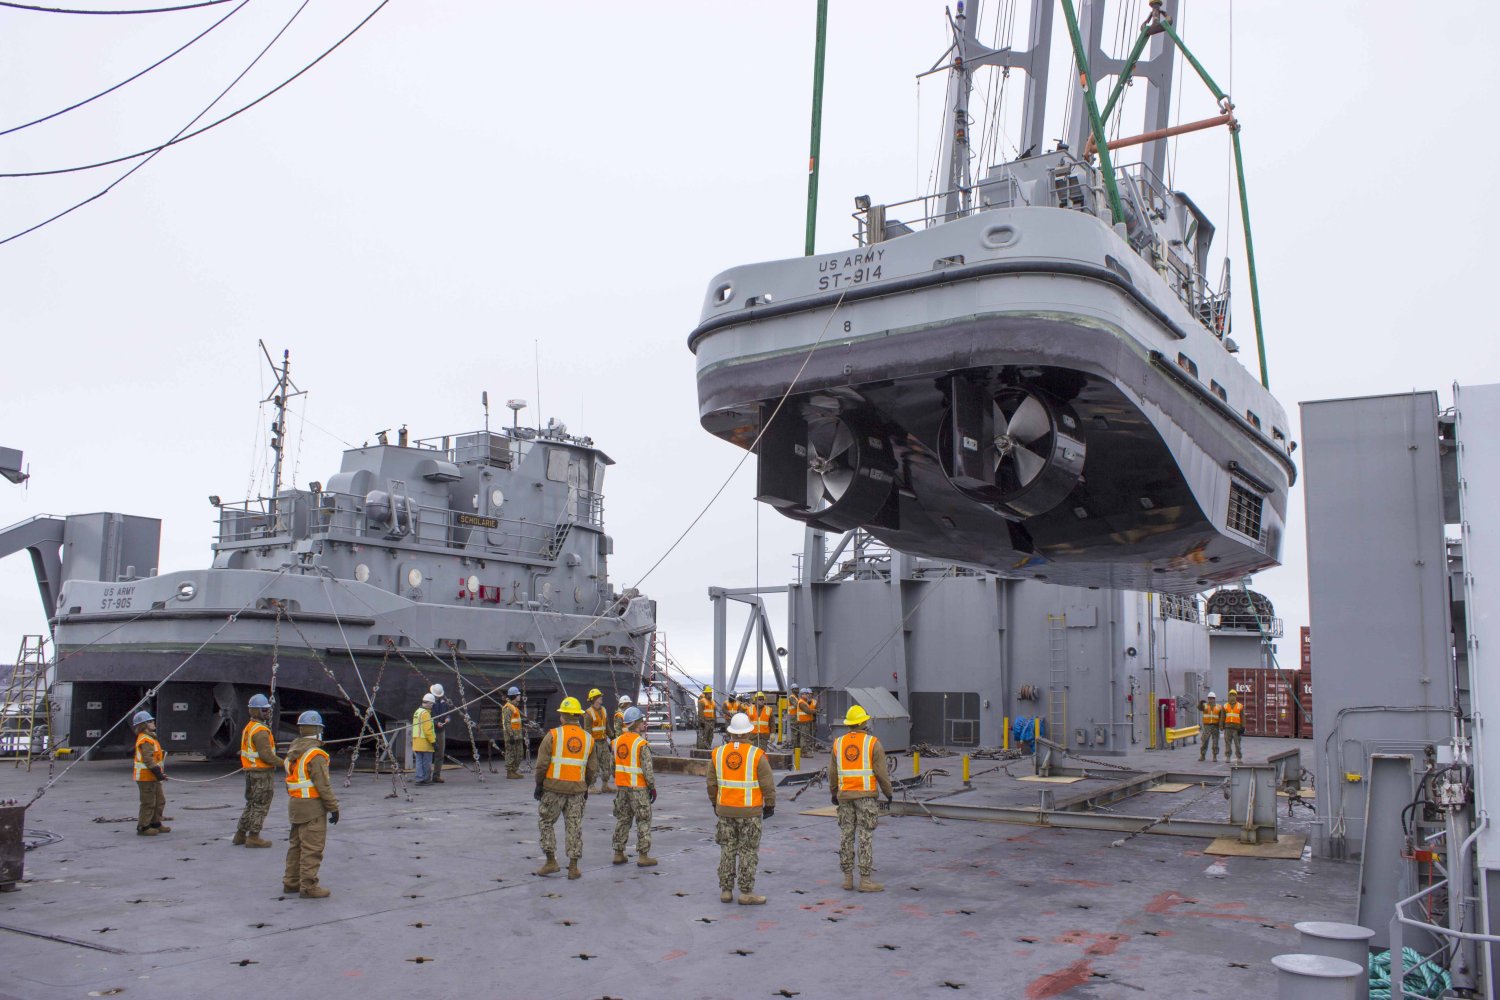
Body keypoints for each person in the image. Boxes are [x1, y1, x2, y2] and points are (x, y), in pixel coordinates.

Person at [707, 712, 775, 905]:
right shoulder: (757, 755)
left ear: (730, 732)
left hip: (725, 811)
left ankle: (726, 891)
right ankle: (746, 892)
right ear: (748, 732)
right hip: (750, 813)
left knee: (727, 850)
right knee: (748, 851)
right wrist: (770, 804)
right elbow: (767, 784)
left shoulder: (718, 754)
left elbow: (711, 783)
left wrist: (715, 803)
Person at [829, 705, 894, 892]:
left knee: (846, 835)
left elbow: (832, 773)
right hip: (866, 797)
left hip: (845, 796)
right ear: (864, 722)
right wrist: (888, 793)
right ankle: (865, 880)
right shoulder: (873, 743)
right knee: (865, 836)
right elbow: (881, 773)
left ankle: (847, 879)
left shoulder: (838, 743)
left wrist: (834, 792)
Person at [534, 696, 597, 880]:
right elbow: (592, 769)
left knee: (546, 822)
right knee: (574, 827)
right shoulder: (588, 739)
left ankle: (551, 862)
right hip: (577, 791)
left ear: (562, 716)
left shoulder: (552, 736)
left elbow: (541, 765)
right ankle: (573, 868)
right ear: (577, 716)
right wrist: (585, 785)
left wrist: (539, 784)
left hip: (553, 789)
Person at [283, 710, 340, 898]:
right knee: (312, 848)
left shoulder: (293, 752)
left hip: (295, 805)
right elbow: (323, 785)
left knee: (296, 846)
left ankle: (291, 882)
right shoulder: (315, 754)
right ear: (317, 730)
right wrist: (333, 808)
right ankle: (308, 887)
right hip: (313, 808)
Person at [611, 706, 658, 868]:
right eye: (641, 721)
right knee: (643, 820)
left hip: (622, 788)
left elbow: (612, 766)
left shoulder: (616, 742)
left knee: (623, 819)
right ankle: (643, 856)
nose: (643, 724)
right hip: (638, 789)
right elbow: (647, 769)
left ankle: (618, 853)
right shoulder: (641, 743)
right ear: (637, 723)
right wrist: (652, 788)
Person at [233, 693, 282, 847]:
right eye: (265, 710)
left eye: (268, 709)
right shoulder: (260, 731)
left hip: (250, 772)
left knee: (251, 803)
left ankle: (240, 834)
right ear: (257, 711)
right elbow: (266, 756)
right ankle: (254, 837)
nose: (268, 712)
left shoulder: (249, 727)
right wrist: (286, 763)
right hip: (261, 774)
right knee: (261, 804)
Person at [132, 710, 170, 836]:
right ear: (143, 725)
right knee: (148, 802)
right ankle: (143, 827)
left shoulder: (151, 738)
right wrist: (158, 774)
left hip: (153, 776)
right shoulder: (145, 740)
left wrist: (159, 774)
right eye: (150, 721)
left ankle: (156, 823)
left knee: (160, 800)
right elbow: (148, 760)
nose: (153, 722)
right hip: (145, 777)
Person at [584, 688, 613, 794]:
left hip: (603, 742)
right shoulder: (588, 713)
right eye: (599, 696)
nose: (601, 698)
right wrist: (590, 745)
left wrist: (612, 736)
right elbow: (587, 731)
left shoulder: (604, 710)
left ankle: (605, 785)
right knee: (594, 765)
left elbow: (606, 725)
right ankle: (591, 786)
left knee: (606, 763)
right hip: (594, 743)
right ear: (595, 699)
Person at [412, 693, 437, 784]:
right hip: (425, 742)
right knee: (427, 762)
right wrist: (433, 741)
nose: (432, 706)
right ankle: (426, 779)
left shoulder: (417, 711)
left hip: (417, 741)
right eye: (432, 704)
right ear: (429, 703)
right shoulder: (425, 714)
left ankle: (419, 778)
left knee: (419, 761)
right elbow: (427, 730)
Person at [429, 683, 451, 783]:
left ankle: (436, 775)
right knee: (428, 754)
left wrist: (447, 718)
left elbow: (447, 713)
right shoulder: (429, 702)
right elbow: (427, 717)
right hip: (430, 730)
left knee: (440, 754)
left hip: (440, 731)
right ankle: (426, 776)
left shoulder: (444, 703)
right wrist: (436, 723)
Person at [502, 686, 525, 779]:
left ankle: (514, 771)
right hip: (511, 736)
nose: (520, 696)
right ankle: (510, 772)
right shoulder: (508, 708)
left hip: (517, 735)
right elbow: (507, 723)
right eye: (518, 695)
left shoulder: (514, 707)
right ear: (514, 696)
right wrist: (511, 735)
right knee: (511, 754)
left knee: (519, 753)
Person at [1198, 691, 1222, 762]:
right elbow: (1199, 708)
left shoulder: (1219, 707)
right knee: (1204, 741)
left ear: (1214, 699)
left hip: (1215, 726)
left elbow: (1221, 717)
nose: (1211, 699)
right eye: (1209, 698)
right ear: (1208, 699)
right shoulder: (1205, 706)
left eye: (1212, 698)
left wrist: (1221, 725)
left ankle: (1215, 756)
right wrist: (1200, 703)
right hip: (1207, 726)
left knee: (1215, 742)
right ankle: (1202, 755)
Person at [793, 688, 819, 753]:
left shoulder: (805, 702)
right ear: (802, 694)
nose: (807, 695)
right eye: (806, 694)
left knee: (805, 737)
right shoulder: (802, 702)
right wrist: (815, 711)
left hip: (806, 722)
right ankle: (803, 752)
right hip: (803, 722)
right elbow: (807, 711)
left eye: (808, 694)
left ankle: (805, 751)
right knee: (804, 737)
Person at [1222, 691, 1245, 763]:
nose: (1232, 697)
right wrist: (1221, 726)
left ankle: (1239, 757)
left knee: (1237, 744)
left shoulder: (1240, 706)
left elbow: (1242, 717)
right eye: (1231, 695)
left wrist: (1243, 727)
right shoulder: (1225, 706)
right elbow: (1222, 717)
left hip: (1236, 728)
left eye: (1233, 695)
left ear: (1236, 696)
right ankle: (1228, 757)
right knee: (1227, 743)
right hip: (1227, 727)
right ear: (1228, 696)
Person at [696, 685, 717, 750]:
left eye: (711, 693)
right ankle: (703, 748)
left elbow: (714, 712)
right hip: (706, 721)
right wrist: (702, 722)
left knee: (711, 736)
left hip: (712, 721)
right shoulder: (702, 701)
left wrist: (715, 720)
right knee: (705, 736)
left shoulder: (713, 702)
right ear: (706, 693)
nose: (710, 694)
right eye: (709, 693)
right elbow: (700, 713)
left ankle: (708, 747)